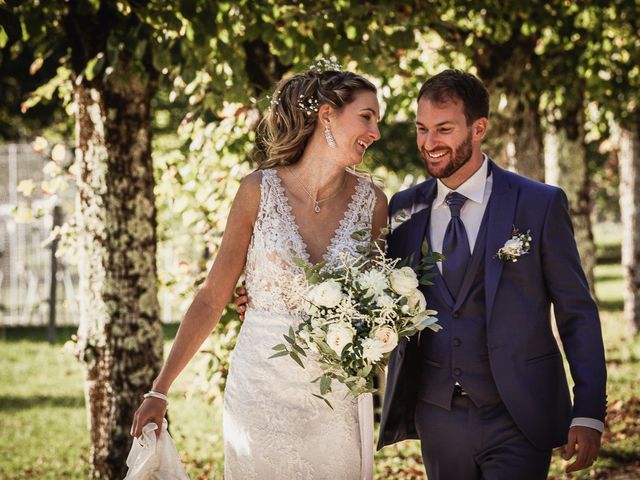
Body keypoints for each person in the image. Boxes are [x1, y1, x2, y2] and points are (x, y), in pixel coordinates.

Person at [130, 67, 387, 480]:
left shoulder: (373, 203)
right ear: (326, 114)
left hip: (335, 396)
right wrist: (160, 389)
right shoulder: (258, 190)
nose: (375, 131)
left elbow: (379, 305)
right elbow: (213, 296)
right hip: (261, 391)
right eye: (366, 116)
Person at [377, 69, 607, 479]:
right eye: (422, 129)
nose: (429, 144)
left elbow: (577, 314)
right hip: (437, 414)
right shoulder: (404, 209)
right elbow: (371, 289)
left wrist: (589, 411)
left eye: (444, 129)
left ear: (478, 128)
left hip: (518, 412)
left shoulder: (538, 204)